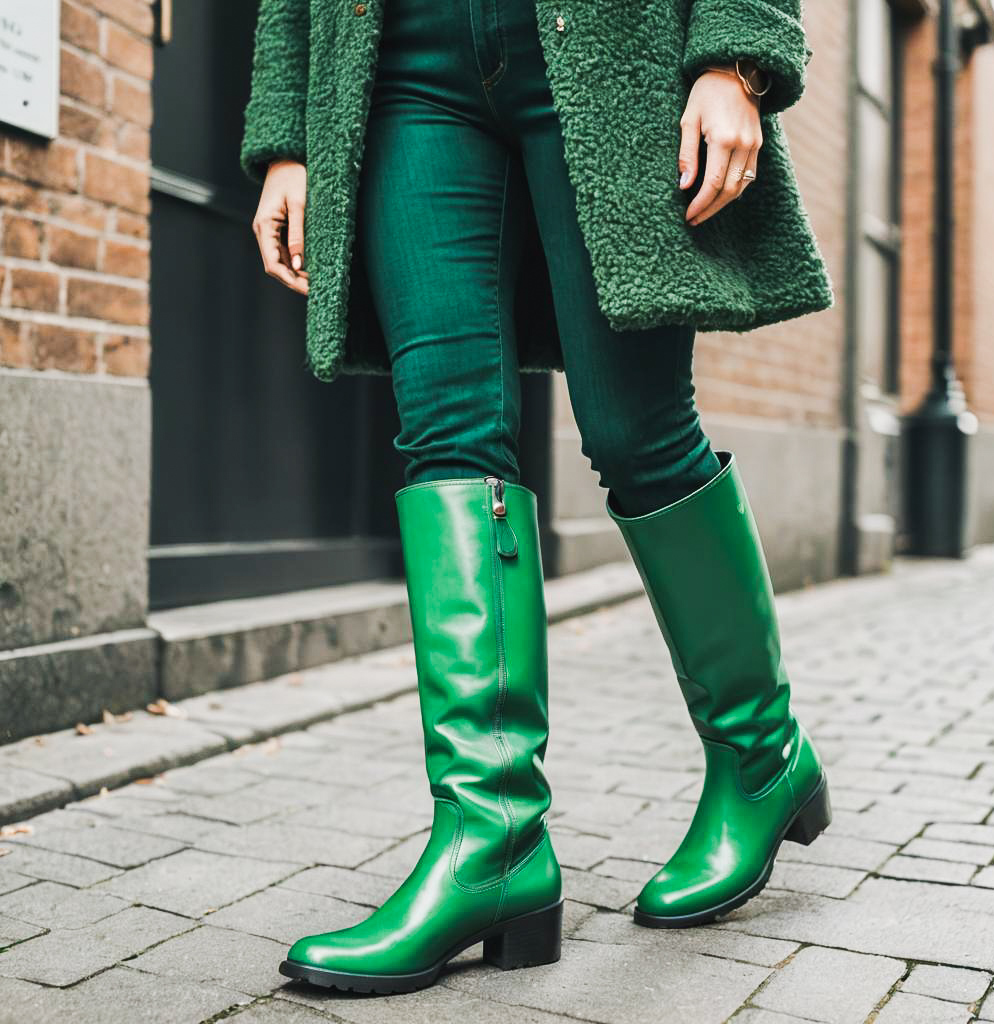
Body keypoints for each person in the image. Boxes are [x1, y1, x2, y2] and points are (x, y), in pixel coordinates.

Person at [240, 0, 834, 996]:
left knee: (634, 431)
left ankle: (761, 756)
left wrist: (737, 59)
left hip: (611, 45)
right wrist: (287, 137)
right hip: (402, 64)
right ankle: (492, 834)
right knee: (444, 436)